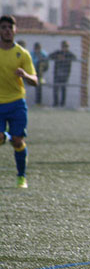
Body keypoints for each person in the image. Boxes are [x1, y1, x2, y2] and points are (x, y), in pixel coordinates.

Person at [0, 15, 38, 189]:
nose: (7, 30)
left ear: (15, 30)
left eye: (10, 27)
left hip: (16, 103)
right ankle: (5, 135)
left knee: (17, 141)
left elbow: (35, 81)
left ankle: (21, 176)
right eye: (4, 27)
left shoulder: (22, 54)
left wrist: (26, 75)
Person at [48, 40, 76, 107]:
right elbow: (50, 56)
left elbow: (74, 58)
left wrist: (65, 58)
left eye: (66, 47)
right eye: (63, 46)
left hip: (65, 74)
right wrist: (57, 57)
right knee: (56, 89)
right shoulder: (58, 52)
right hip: (57, 74)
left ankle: (62, 104)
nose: (65, 48)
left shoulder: (69, 54)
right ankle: (55, 103)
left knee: (63, 89)